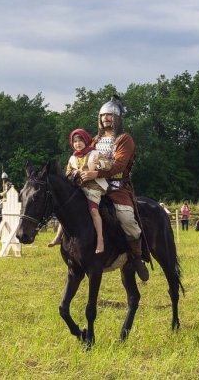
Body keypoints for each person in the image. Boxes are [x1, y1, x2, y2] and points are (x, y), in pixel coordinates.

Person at [80, 95, 149, 281]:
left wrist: (96, 173)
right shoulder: (95, 140)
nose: (105, 119)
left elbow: (118, 166)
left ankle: (136, 257)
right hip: (94, 185)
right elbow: (84, 157)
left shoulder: (124, 139)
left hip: (117, 188)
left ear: (117, 118)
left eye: (109, 115)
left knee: (127, 219)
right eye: (103, 115)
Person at [48, 128, 110, 253]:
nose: (78, 143)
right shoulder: (72, 158)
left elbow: (108, 165)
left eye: (80, 140)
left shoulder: (95, 153)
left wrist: (99, 164)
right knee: (66, 208)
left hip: (94, 186)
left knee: (93, 210)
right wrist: (74, 173)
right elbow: (67, 174)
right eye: (75, 141)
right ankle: (58, 236)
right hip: (78, 187)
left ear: (86, 140)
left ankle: (100, 239)